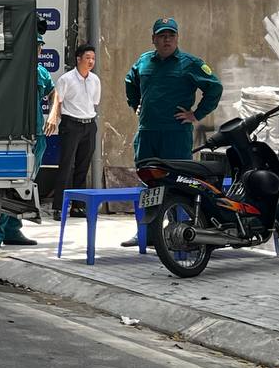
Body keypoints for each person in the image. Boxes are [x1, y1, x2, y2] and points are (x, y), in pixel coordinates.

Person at [120, 17, 223, 246]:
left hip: (175, 135)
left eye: (171, 36)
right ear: (153, 39)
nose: (167, 40)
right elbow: (130, 81)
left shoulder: (190, 63)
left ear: (177, 38)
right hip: (148, 133)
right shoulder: (144, 61)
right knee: (148, 183)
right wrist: (135, 104)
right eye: (162, 36)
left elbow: (214, 87)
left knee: (178, 183)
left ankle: (178, 231)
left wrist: (196, 114)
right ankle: (145, 232)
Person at [0, 28, 56, 251]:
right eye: (32, 45)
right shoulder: (10, 71)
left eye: (38, 46)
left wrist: (54, 114)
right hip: (14, 137)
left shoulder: (41, 73)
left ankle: (13, 229)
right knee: (10, 184)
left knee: (26, 183)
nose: (36, 49)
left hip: (37, 135)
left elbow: (55, 94)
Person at [45, 44, 102, 219]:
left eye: (93, 58)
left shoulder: (95, 80)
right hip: (71, 125)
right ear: (78, 59)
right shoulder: (66, 79)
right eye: (87, 58)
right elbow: (57, 101)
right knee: (66, 166)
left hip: (89, 125)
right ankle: (58, 207)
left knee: (82, 167)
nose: (91, 61)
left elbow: (94, 102)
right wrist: (56, 118)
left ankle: (78, 206)